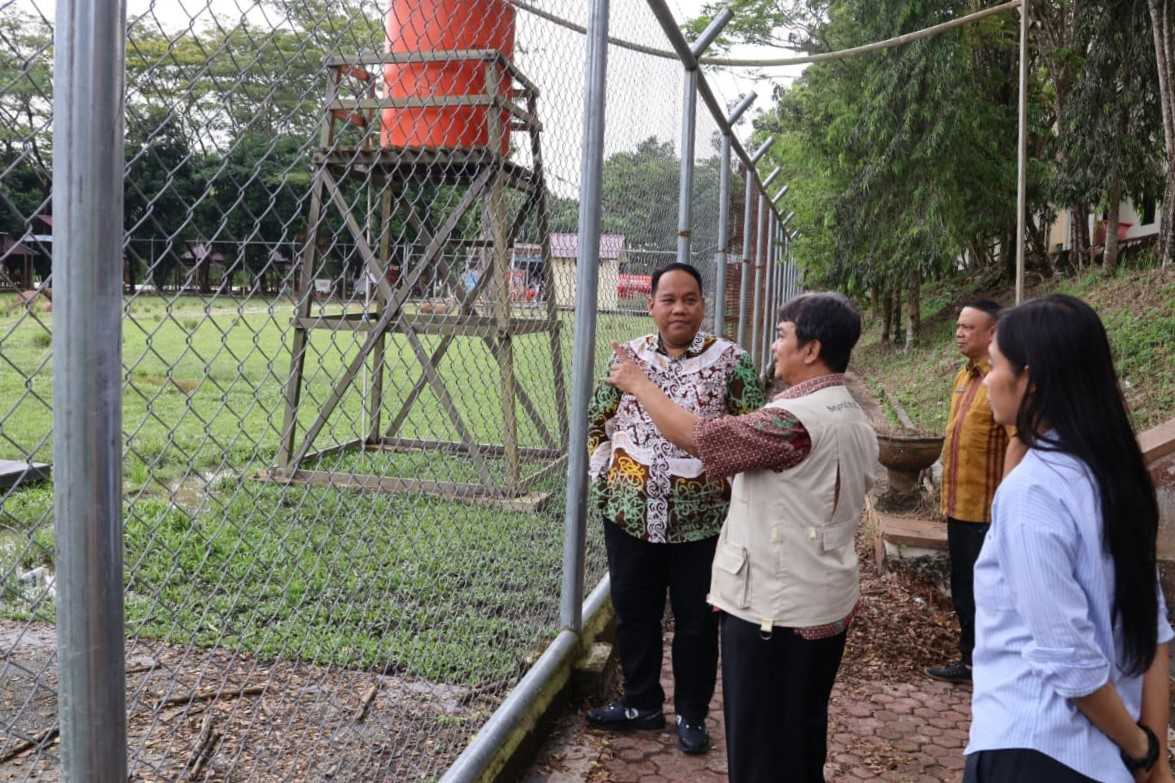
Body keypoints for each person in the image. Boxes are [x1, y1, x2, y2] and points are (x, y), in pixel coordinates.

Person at [609, 292, 878, 783]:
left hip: (774, 613)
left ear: (811, 349)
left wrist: (639, 385)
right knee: (798, 736)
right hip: (821, 599)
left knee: (758, 750)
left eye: (782, 335)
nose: (775, 347)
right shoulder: (848, 411)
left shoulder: (790, 421)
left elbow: (700, 438)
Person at [965, 294, 1172, 782]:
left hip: (1035, 748)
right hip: (1104, 762)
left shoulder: (1034, 492)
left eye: (994, 366)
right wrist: (1155, 761)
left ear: (1030, 381)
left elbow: (1069, 659)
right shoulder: (1113, 478)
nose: (987, 382)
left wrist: (1141, 749)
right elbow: (1152, 632)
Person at [585, 262, 764, 755]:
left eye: (689, 299)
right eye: (669, 299)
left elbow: (751, 431)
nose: (679, 308)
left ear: (703, 305)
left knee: (697, 622)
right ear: (652, 306)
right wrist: (606, 479)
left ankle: (691, 712)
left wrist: (730, 486)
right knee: (634, 614)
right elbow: (598, 420)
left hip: (702, 523)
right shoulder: (627, 358)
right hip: (629, 517)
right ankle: (641, 704)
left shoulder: (732, 361)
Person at [927, 298, 1012, 685]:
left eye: (968, 327)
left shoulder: (1003, 379)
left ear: (992, 333)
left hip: (987, 514)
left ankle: (990, 666)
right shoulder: (964, 377)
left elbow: (1018, 444)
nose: (959, 332)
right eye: (958, 326)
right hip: (957, 506)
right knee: (964, 590)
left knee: (988, 594)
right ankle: (970, 659)